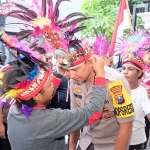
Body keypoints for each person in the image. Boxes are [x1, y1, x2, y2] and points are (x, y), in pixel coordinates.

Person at [54, 38, 134, 150]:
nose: (71, 75)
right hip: (85, 142)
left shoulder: (115, 82)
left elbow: (127, 126)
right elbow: (75, 118)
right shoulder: (74, 80)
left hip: (110, 145)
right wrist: (71, 148)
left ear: (90, 62)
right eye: (67, 70)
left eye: (75, 69)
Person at [119, 28, 150, 150]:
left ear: (139, 73)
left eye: (130, 69)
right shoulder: (115, 89)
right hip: (117, 140)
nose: (125, 72)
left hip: (136, 143)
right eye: (124, 68)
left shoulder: (143, 92)